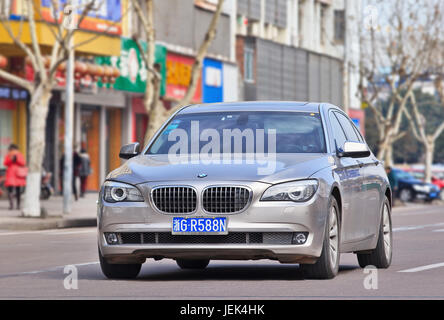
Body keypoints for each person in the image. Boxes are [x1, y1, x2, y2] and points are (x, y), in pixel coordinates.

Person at [3, 144, 26, 210]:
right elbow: (6, 163)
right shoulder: (11, 155)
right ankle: (14, 205)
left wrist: (16, 159)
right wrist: (12, 160)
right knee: (14, 190)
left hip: (16, 174)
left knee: (15, 190)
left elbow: (22, 163)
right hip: (14, 174)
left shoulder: (16, 155)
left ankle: (14, 205)